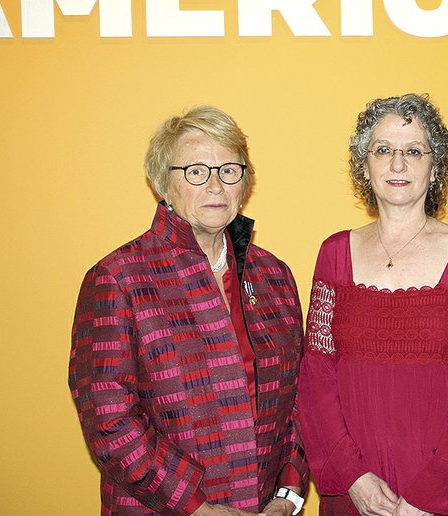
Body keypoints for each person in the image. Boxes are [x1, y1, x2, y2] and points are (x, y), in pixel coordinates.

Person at [69, 106, 308, 516]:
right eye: (196, 171)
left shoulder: (274, 276)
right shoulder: (118, 278)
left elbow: (302, 397)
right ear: (163, 182)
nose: (215, 186)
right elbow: (110, 419)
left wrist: (288, 493)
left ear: (244, 182)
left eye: (229, 170)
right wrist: (195, 507)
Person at [297, 94, 448, 516]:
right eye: (383, 150)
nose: (398, 164)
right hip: (357, 496)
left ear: (435, 168)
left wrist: (430, 495)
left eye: (413, 151)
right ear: (364, 165)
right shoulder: (334, 254)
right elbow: (316, 377)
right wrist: (352, 478)